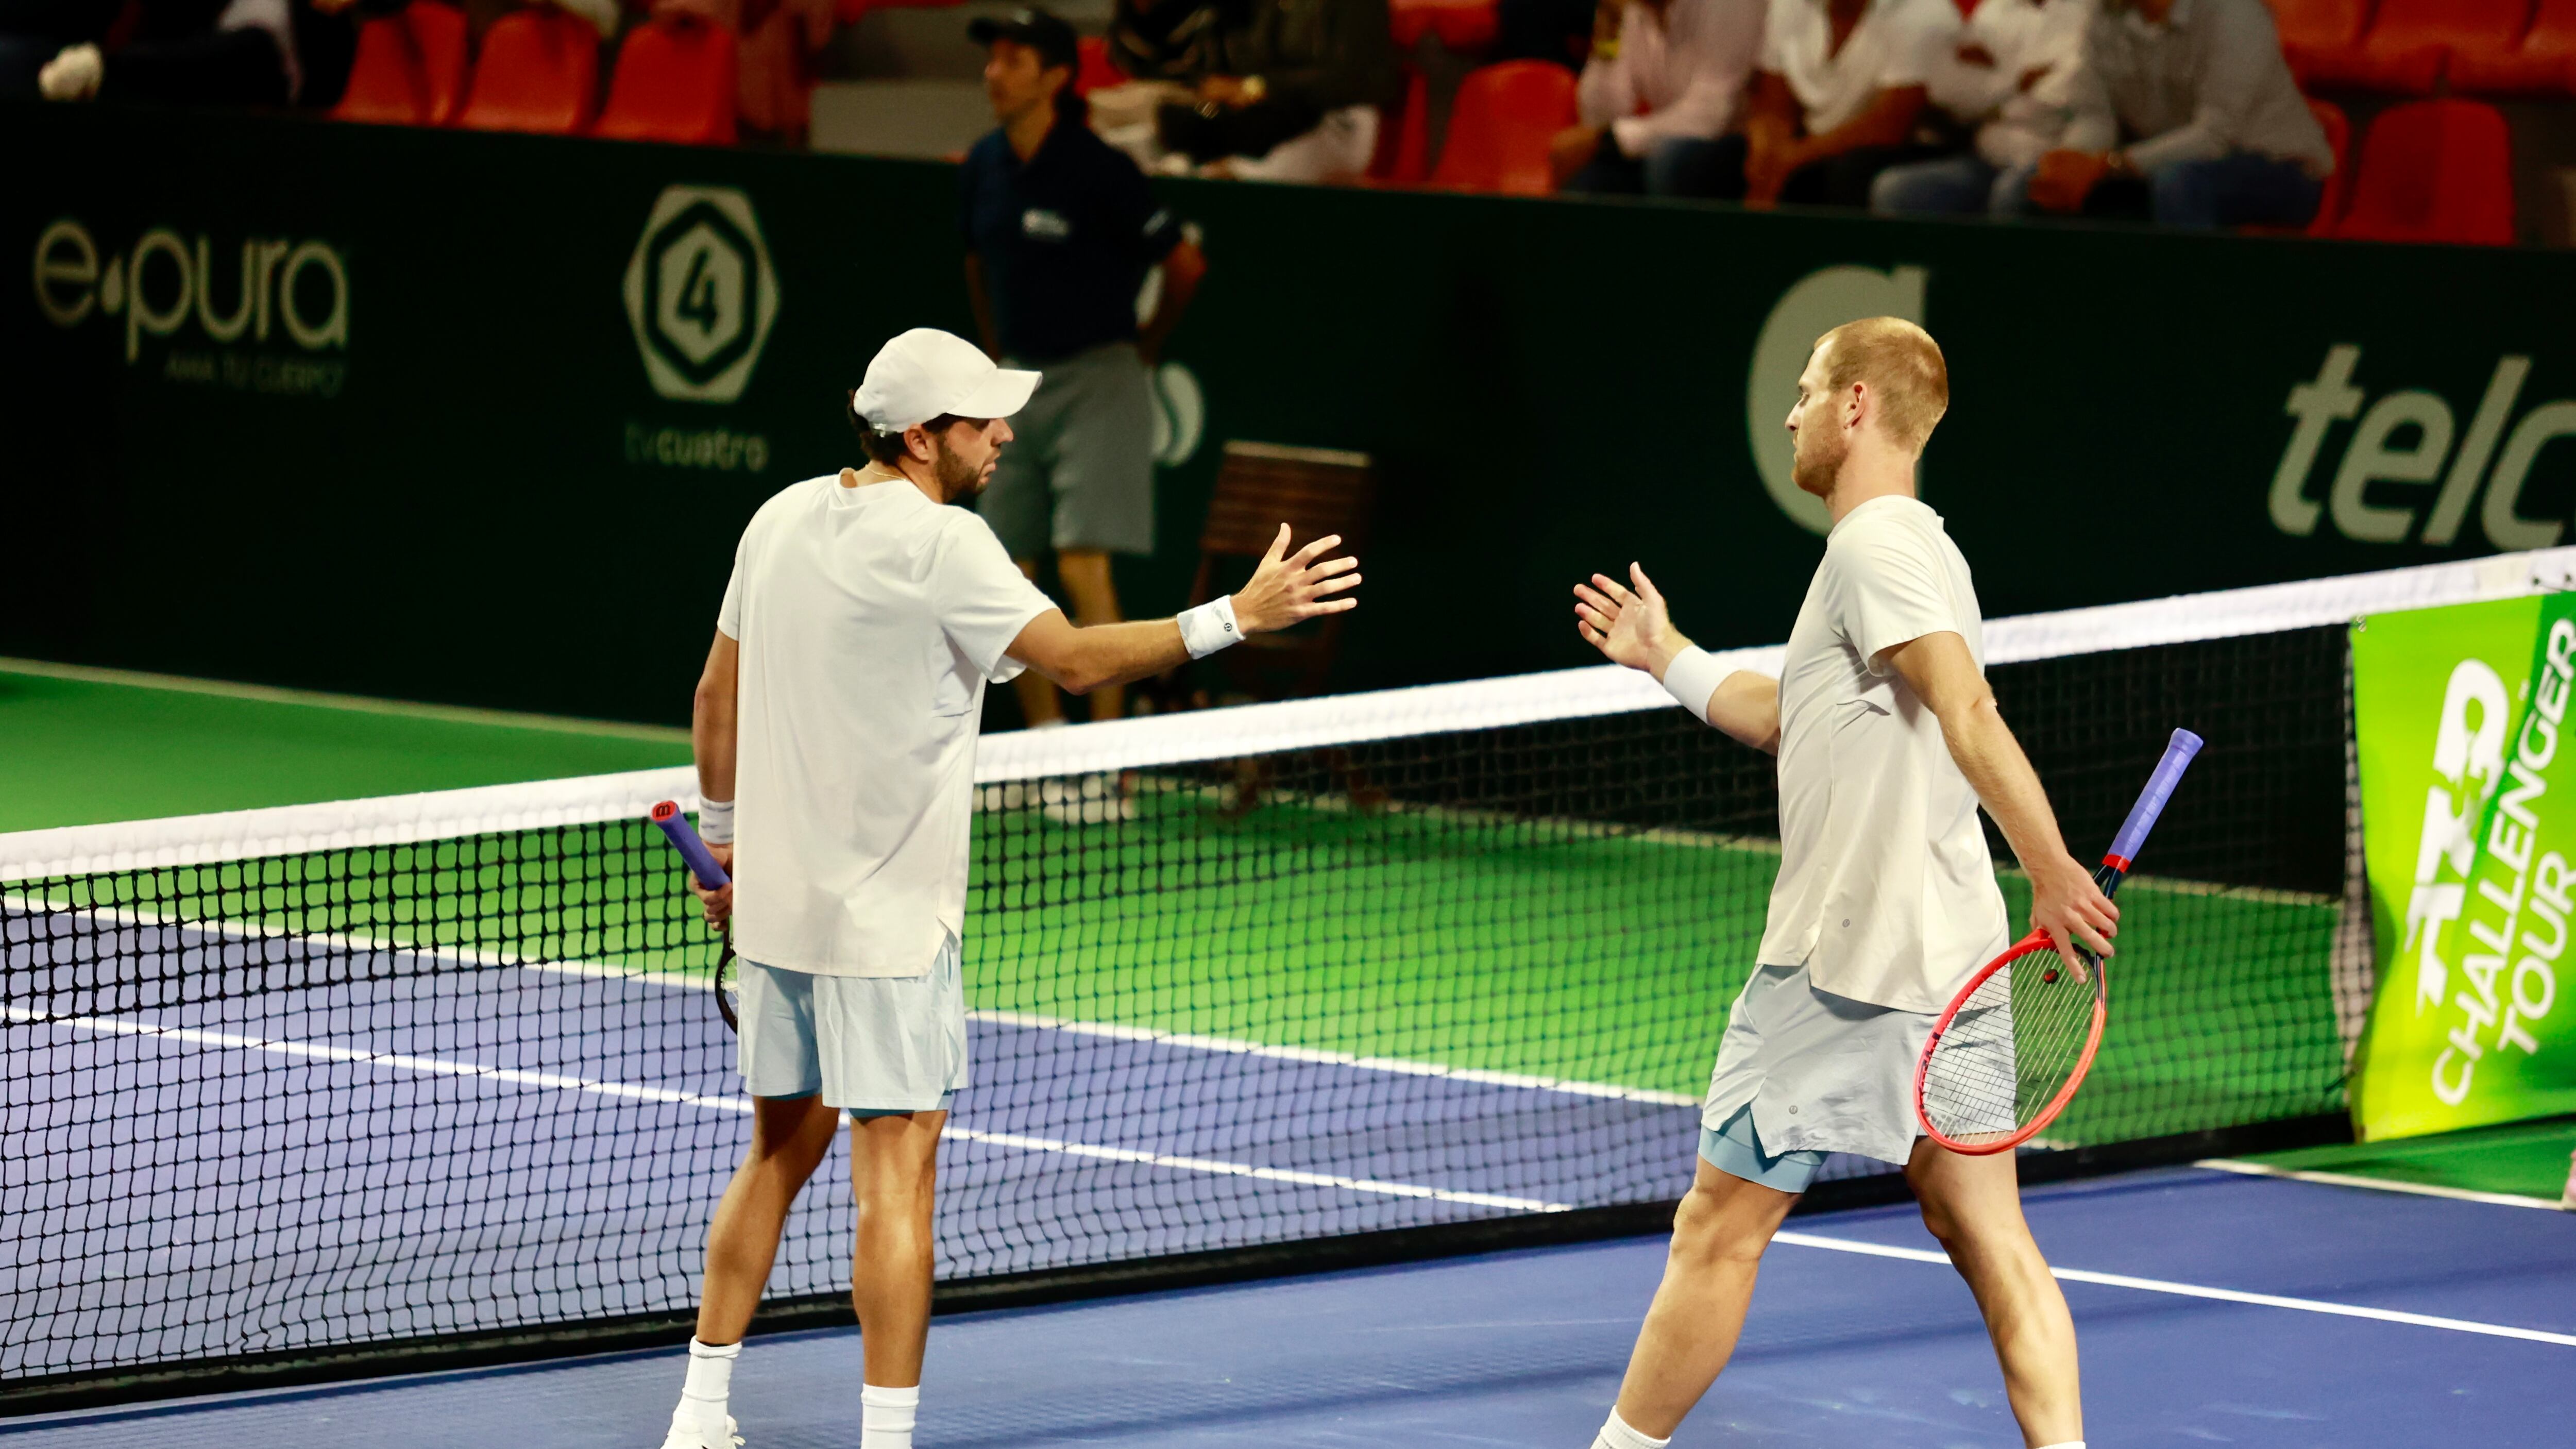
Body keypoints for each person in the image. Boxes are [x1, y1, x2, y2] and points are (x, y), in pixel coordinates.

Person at [658, 326, 1358, 1449]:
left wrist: (728, 843)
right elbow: (1076, 662)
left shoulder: (777, 516)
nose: (1006, 433)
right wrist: (1237, 615)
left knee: (777, 1153)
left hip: (781, 912)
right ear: (923, 436)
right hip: (889, 931)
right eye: (984, 420)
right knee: (899, 1181)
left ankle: (697, 1414)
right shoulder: (951, 546)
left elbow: (712, 699)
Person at [1567, 316, 2116, 1449]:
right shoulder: (1911, 554)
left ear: (1857, 405)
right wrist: (1667, 656)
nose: (1791, 412)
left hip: (1844, 969)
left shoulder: (1876, 548)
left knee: (1717, 1225)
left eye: (1809, 390)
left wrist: (2052, 867)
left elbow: (1969, 711)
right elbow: (1789, 717)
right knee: (1986, 1233)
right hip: (1951, 964)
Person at [961, 6, 1210, 731]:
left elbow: (1186, 265)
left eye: (1013, 60)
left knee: (1081, 567)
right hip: (1017, 379)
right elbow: (976, 265)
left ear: (1057, 76)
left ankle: (1102, 762)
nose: (994, 73)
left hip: (1100, 379)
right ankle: (1048, 748)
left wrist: (1144, 345)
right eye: (993, 59)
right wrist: (996, 356)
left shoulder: (1102, 170)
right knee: (1004, 577)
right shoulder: (982, 166)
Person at [2008, 0, 2331, 229]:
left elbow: (2215, 137)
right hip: (2155, 164)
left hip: (2278, 169)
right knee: (2025, 186)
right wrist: (2071, 159)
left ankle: (2191, 319)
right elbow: (2096, 117)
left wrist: (2104, 166)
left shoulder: (2236, 11)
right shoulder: (2103, 15)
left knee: (2179, 184)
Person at [1669, 0, 1952, 207]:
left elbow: (1890, 125)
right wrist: (1766, 152)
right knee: (1694, 161)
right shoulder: (1789, 6)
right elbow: (1774, 103)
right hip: (1809, 142)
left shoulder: (1922, 12)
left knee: (1849, 172)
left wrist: (1792, 159)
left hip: (1903, 147)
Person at [1101, 0, 1399, 183]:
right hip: (1261, 115)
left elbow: (1355, 79)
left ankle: (1216, 169)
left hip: (1334, 120)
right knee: (1142, 114)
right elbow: (1236, 57)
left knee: (1224, 174)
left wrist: (1258, 87)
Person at [1869, 0, 2090, 217]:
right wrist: (2016, 82)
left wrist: (1992, 95)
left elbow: (2061, 99)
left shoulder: (2087, 13)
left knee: (2009, 193)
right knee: (1895, 189)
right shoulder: (1994, 9)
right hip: (1986, 159)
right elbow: (1947, 88)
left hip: (2049, 158)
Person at [1552, 0, 1766, 197]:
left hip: (1740, 145)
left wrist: (1607, 139)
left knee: (1672, 161)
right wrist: (1607, 35)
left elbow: (1711, 116)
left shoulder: (1730, 5)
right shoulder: (1636, 10)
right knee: (1587, 177)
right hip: (1666, 140)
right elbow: (1601, 116)